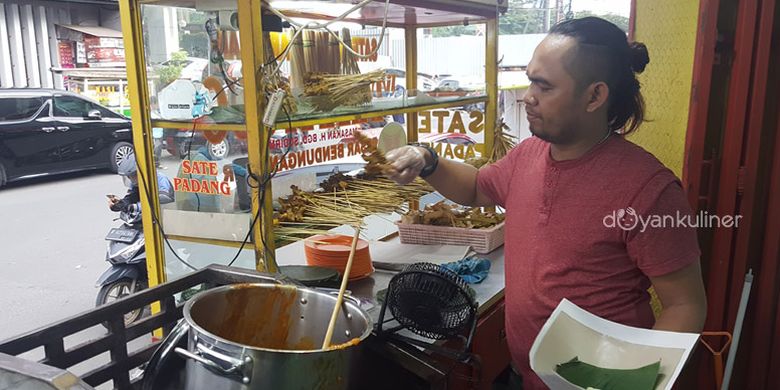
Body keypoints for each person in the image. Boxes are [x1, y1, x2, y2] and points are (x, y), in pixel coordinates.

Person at [385, 17, 707, 389]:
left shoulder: (650, 189)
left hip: (597, 381)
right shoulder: (529, 155)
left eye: (544, 86)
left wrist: (633, 380)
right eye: (530, 79)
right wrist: (428, 159)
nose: (527, 96)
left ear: (594, 96)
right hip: (523, 374)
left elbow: (686, 306)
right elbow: (475, 188)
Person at [108, 153, 174, 215]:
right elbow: (134, 196)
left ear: (140, 173)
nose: (131, 180)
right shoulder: (138, 182)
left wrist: (135, 207)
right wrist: (121, 204)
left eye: (132, 176)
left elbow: (164, 198)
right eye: (128, 177)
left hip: (164, 215)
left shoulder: (161, 179)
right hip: (148, 214)